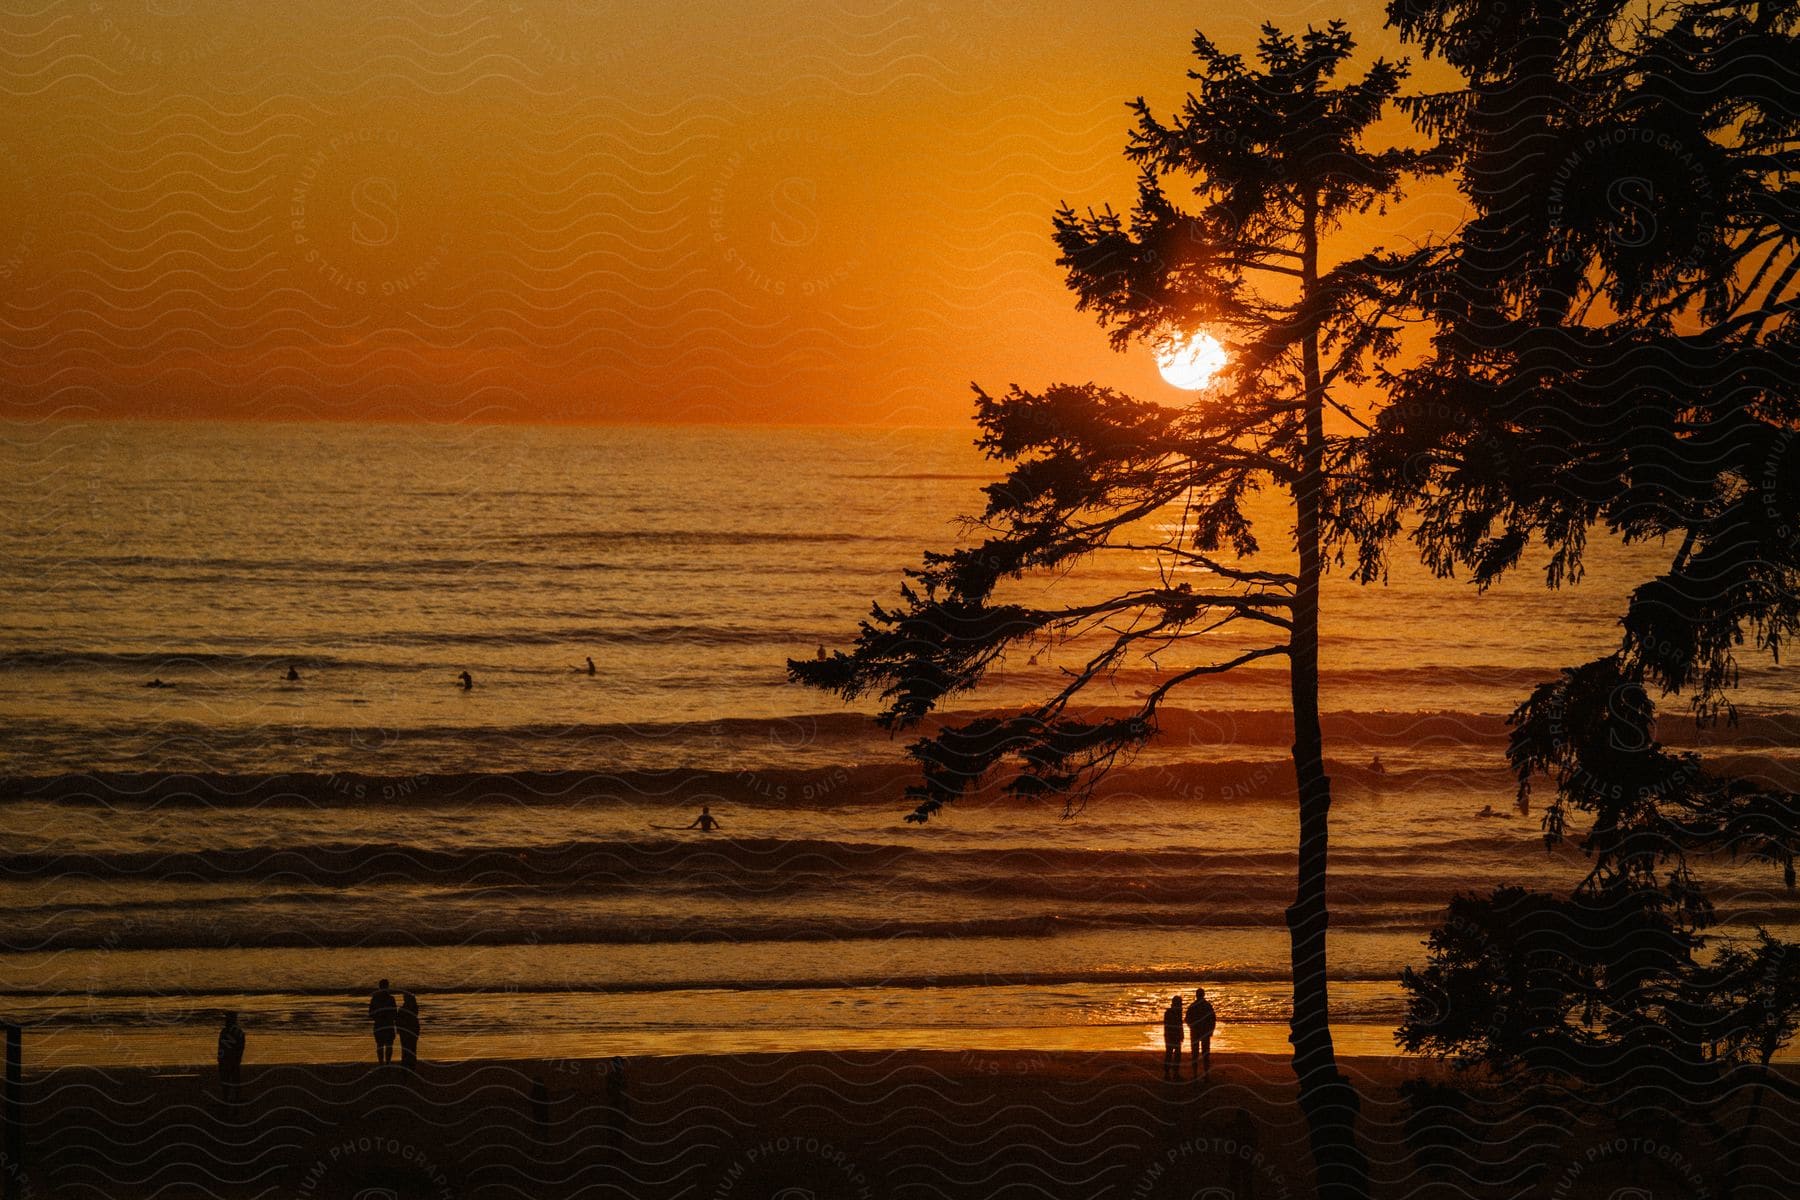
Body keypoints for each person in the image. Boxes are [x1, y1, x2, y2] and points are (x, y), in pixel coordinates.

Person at [1185, 987, 1218, 1080]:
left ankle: (1195, 1074)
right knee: (1205, 1054)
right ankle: (1206, 1074)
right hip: (1205, 1031)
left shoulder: (1193, 1006)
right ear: (1204, 995)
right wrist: (1211, 1030)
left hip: (1195, 1032)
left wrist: (1192, 1027)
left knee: (1195, 1054)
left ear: (1196, 995)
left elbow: (1187, 1019)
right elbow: (1213, 1019)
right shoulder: (1208, 1005)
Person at [217, 1012, 245, 1104]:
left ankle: (228, 1097)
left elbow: (221, 1045)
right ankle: (233, 1097)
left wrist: (220, 1057)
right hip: (231, 1059)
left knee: (228, 1079)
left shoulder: (226, 1031)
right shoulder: (237, 1032)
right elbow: (241, 1047)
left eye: (227, 1019)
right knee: (233, 1079)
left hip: (228, 1059)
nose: (226, 1021)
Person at [369, 979, 397, 1063]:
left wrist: (378, 1016)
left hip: (379, 1024)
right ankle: (387, 1062)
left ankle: (381, 1063)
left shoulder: (375, 998)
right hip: (388, 1024)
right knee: (388, 1045)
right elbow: (394, 1013)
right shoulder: (391, 999)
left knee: (380, 1044)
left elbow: (371, 1013)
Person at [396, 991, 420, 1071]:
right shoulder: (414, 1008)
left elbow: (398, 1020)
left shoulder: (403, 1009)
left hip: (405, 1030)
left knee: (405, 1048)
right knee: (412, 1047)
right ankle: (411, 1064)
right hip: (413, 1029)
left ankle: (405, 1064)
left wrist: (398, 1029)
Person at [1162, 994, 1184, 1079]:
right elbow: (1169, 1025)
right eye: (1180, 1003)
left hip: (1173, 1035)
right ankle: (1170, 1073)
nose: (1180, 1005)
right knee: (1171, 1054)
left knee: (1173, 1054)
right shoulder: (1171, 1012)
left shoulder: (1175, 1011)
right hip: (1171, 1035)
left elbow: (1180, 1024)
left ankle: (1173, 1073)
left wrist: (1181, 1034)